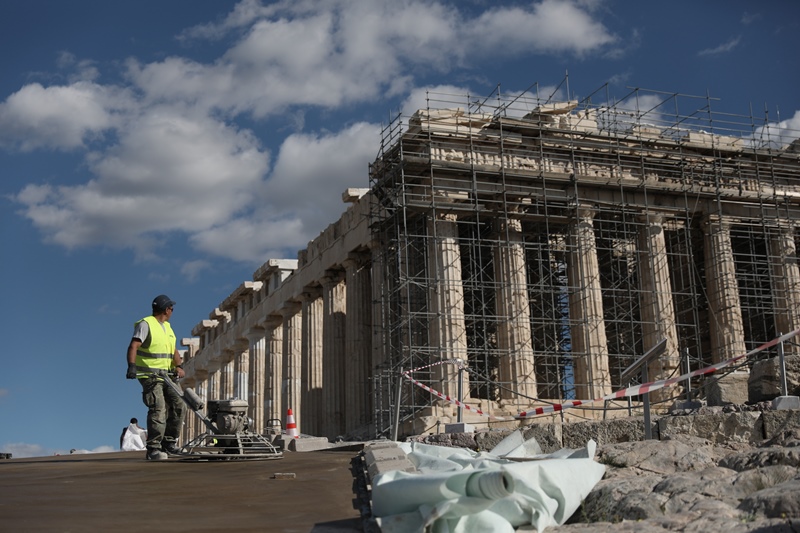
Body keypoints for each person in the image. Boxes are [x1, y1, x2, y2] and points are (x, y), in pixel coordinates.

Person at [125, 295, 186, 461]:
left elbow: (173, 351)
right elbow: (134, 345)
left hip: (167, 375)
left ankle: (169, 443)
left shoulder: (167, 327)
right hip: (150, 375)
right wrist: (131, 366)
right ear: (167, 310)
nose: (172, 311)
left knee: (180, 405)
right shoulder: (146, 324)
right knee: (158, 408)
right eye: (171, 309)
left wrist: (179, 366)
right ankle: (153, 448)